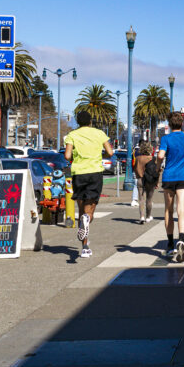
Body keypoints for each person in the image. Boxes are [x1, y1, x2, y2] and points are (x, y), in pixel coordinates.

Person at [63, 110, 114, 259]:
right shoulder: (99, 134)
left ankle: (85, 247)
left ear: (78, 122)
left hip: (78, 173)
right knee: (89, 209)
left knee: (81, 207)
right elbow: (110, 152)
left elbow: (67, 155)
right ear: (91, 121)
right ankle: (87, 220)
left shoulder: (72, 135)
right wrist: (99, 155)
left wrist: (76, 158)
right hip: (95, 173)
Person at [157, 112, 184, 262]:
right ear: (182, 124)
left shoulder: (166, 138)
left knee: (168, 210)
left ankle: (170, 243)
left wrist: (158, 167)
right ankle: (182, 238)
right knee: (182, 209)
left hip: (169, 177)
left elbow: (160, 156)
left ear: (170, 125)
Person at [133, 141, 157, 224]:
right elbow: (156, 171)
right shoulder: (152, 158)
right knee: (149, 199)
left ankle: (141, 217)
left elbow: (135, 168)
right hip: (150, 180)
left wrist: (138, 175)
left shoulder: (138, 158)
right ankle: (148, 216)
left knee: (141, 199)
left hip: (140, 179)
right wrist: (156, 182)